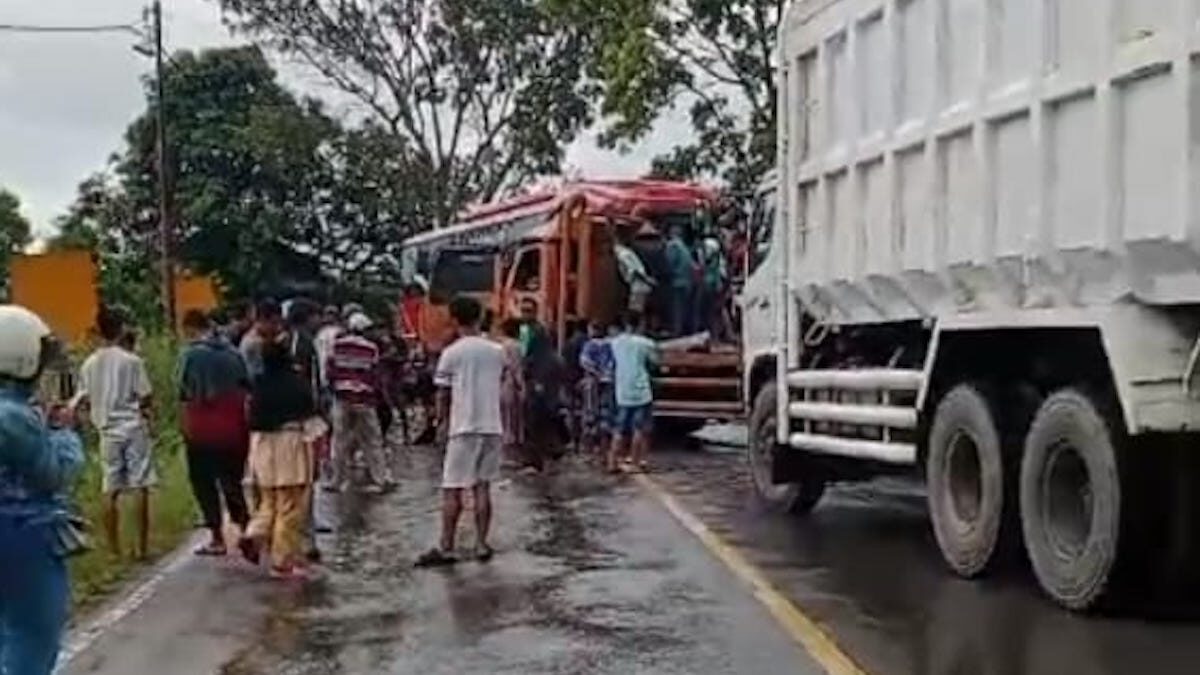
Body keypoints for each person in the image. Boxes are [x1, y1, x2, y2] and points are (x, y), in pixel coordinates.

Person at [0, 305, 85, 675]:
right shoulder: (12, 416)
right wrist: (65, 433)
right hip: (22, 535)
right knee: (31, 639)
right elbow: (54, 474)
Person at [416, 296, 505, 567]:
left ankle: (447, 546)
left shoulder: (451, 353)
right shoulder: (496, 351)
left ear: (454, 320)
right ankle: (481, 544)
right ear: (479, 318)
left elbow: (443, 394)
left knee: (452, 488)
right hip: (492, 425)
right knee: (482, 486)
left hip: (463, 426)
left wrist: (439, 423)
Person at [76, 307, 155, 559]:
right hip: (132, 425)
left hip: (107, 430)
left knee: (110, 487)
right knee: (139, 484)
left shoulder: (89, 364)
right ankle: (141, 548)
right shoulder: (132, 361)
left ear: (98, 331)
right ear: (120, 329)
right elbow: (145, 395)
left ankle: (113, 550)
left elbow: (83, 398)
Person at [242, 343, 323, 579]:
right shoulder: (297, 384)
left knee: (268, 500)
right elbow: (310, 413)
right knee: (290, 505)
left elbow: (250, 416)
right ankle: (282, 561)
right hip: (290, 443)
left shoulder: (258, 384)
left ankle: (254, 533)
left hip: (262, 444)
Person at [178, 309, 253, 558]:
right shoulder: (234, 352)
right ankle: (246, 530)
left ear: (190, 328)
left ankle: (217, 538)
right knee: (232, 481)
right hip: (233, 428)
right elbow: (247, 386)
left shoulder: (191, 355)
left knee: (204, 483)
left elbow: (184, 391)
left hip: (201, 428)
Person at [326, 312, 395, 493]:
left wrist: (336, 388)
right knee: (372, 440)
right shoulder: (371, 348)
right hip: (364, 400)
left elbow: (330, 371)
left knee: (339, 440)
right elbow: (375, 375)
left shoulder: (337, 345)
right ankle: (380, 480)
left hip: (342, 398)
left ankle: (336, 480)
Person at [608, 313, 658, 474]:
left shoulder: (615, 343)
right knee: (639, 429)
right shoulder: (646, 343)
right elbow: (655, 361)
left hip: (622, 391)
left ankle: (612, 462)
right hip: (641, 391)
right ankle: (635, 463)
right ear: (640, 325)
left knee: (619, 428)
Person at [579, 321, 616, 457]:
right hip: (608, 381)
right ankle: (604, 446)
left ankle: (589, 447)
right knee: (606, 412)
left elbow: (584, 362)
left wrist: (596, 373)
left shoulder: (589, 345)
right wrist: (606, 374)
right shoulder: (610, 345)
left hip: (592, 382)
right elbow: (613, 363)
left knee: (590, 412)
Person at [497, 318, 525, 463]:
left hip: (500, 383)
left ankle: (503, 453)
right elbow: (516, 367)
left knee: (504, 417)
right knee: (513, 418)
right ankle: (511, 455)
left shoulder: (499, 345)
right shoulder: (516, 346)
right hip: (511, 384)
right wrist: (521, 385)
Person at [614, 227, 656, 316]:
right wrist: (649, 280)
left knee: (637, 310)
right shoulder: (626, 253)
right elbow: (635, 271)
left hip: (638, 285)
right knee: (637, 310)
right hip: (639, 285)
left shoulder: (625, 253)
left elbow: (634, 270)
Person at [665, 224, 696, 336]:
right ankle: (683, 330)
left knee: (677, 309)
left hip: (677, 281)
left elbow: (669, 264)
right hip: (687, 281)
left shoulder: (672, 246)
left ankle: (677, 331)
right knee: (684, 308)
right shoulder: (684, 246)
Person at [240, 299, 283, 380]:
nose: (278, 327)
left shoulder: (266, 337)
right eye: (274, 323)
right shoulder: (252, 342)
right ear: (261, 319)